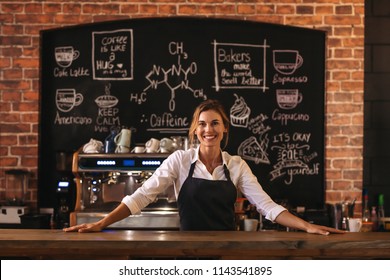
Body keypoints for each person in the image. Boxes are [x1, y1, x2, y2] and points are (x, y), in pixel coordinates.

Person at [64, 99, 344, 235]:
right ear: (194, 130)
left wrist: (307, 226)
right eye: (202, 124)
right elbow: (142, 196)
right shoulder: (180, 160)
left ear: (224, 128)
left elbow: (267, 207)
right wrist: (102, 223)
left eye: (214, 123)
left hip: (228, 251)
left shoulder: (236, 166)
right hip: (186, 251)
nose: (208, 129)